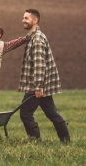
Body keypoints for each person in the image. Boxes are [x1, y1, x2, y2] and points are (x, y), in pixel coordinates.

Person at [18, 9, 70, 142]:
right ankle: (65, 140)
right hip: (41, 85)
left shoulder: (37, 39)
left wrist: (38, 87)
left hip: (37, 86)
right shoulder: (33, 37)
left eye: (26, 18)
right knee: (52, 113)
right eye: (23, 18)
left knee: (25, 113)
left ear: (35, 21)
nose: (23, 20)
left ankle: (34, 141)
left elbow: (39, 64)